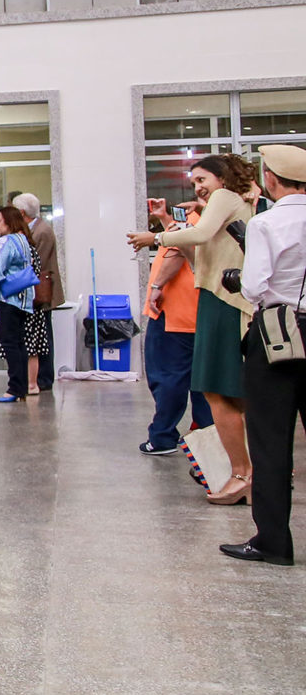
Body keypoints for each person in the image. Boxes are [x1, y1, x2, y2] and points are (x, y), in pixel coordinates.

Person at [127, 154, 260, 505]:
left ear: (222, 177)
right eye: (194, 182)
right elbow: (200, 260)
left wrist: (155, 237)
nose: (198, 187)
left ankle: (242, 474)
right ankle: (248, 469)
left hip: (223, 302)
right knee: (222, 392)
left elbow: (200, 235)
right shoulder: (231, 202)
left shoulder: (225, 198)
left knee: (218, 391)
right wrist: (172, 231)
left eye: (202, 179)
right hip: (217, 299)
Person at [222, 144, 306, 565]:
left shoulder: (265, 223)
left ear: (271, 179)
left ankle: (273, 542)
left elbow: (255, 287)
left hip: (278, 332)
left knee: (271, 441)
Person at [140, 243, 210, 454]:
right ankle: (206, 435)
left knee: (167, 377)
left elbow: (179, 249)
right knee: (201, 380)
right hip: (197, 313)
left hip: (173, 312)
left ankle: (162, 435)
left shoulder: (183, 228)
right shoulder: (203, 226)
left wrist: (157, 286)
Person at [0, 206, 39, 404]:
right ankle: (22, 387)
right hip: (24, 299)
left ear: (10, 222)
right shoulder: (23, 240)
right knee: (19, 343)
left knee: (9, 343)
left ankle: (14, 388)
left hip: (9, 298)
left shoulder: (6, 242)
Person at [13, 193, 62, 393]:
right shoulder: (33, 230)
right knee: (38, 336)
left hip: (42, 292)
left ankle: (44, 378)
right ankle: (36, 376)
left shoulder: (42, 232)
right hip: (36, 291)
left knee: (43, 336)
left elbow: (36, 264)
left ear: (22, 213)